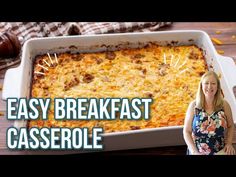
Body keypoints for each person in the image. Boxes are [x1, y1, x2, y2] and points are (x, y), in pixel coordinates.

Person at [183, 71, 235, 155]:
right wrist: (194, 151)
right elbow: (186, 131)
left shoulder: (224, 105)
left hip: (220, 151)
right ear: (201, 86)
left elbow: (231, 125)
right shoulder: (193, 105)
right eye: (206, 83)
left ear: (218, 87)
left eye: (213, 83)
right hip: (197, 151)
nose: (209, 86)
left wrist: (229, 143)